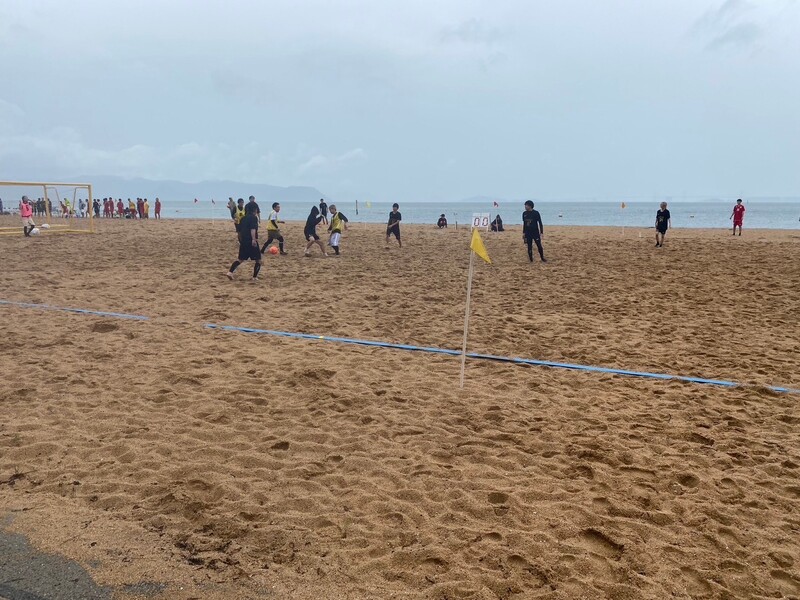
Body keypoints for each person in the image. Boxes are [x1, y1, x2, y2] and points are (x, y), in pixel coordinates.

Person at [225, 202, 262, 281]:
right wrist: (253, 239)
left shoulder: (243, 218)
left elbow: (240, 231)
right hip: (251, 241)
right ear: (255, 209)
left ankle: (230, 272)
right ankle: (254, 277)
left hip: (244, 241)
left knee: (240, 259)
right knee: (258, 260)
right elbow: (253, 229)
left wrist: (241, 240)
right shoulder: (254, 218)